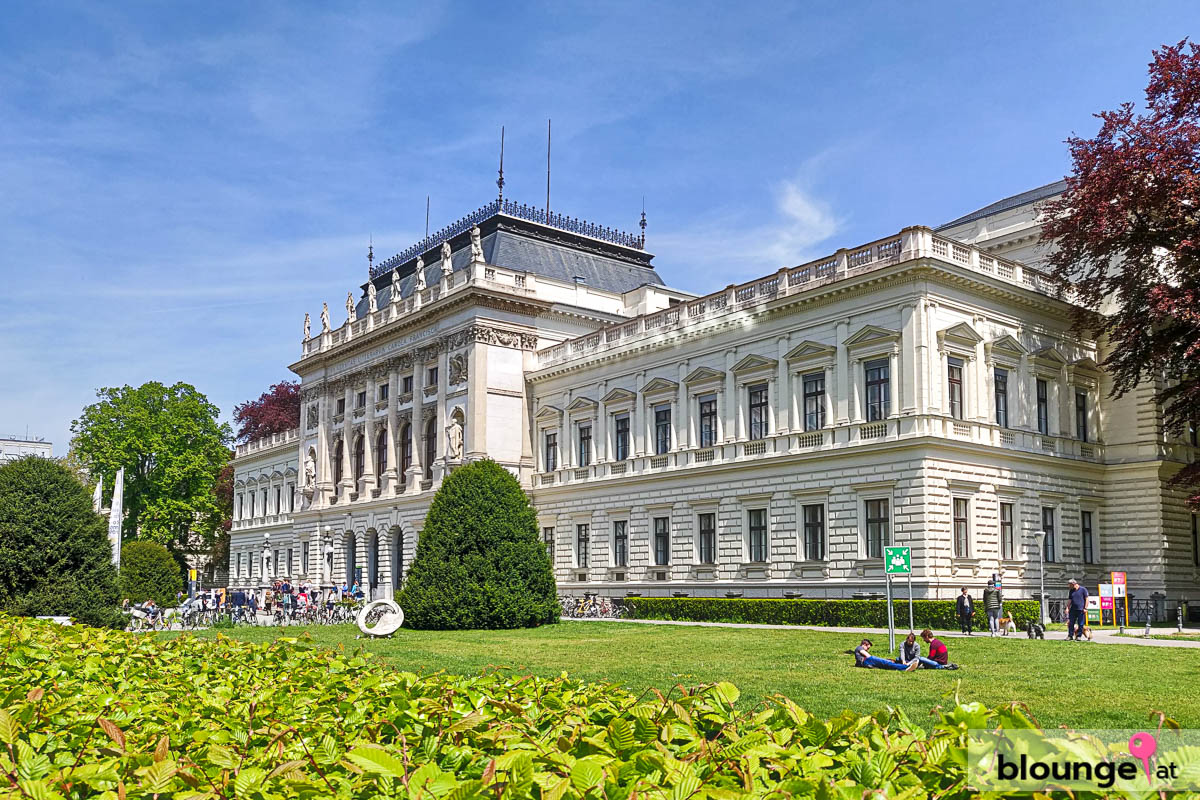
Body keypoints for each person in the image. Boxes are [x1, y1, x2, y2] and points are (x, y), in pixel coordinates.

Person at [854, 638, 919, 671]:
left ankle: (905, 667)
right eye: (868, 648)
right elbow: (868, 656)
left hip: (867, 662)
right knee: (886, 663)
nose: (867, 650)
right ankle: (905, 667)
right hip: (868, 660)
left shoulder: (858, 650)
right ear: (864, 644)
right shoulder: (859, 648)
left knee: (886, 664)